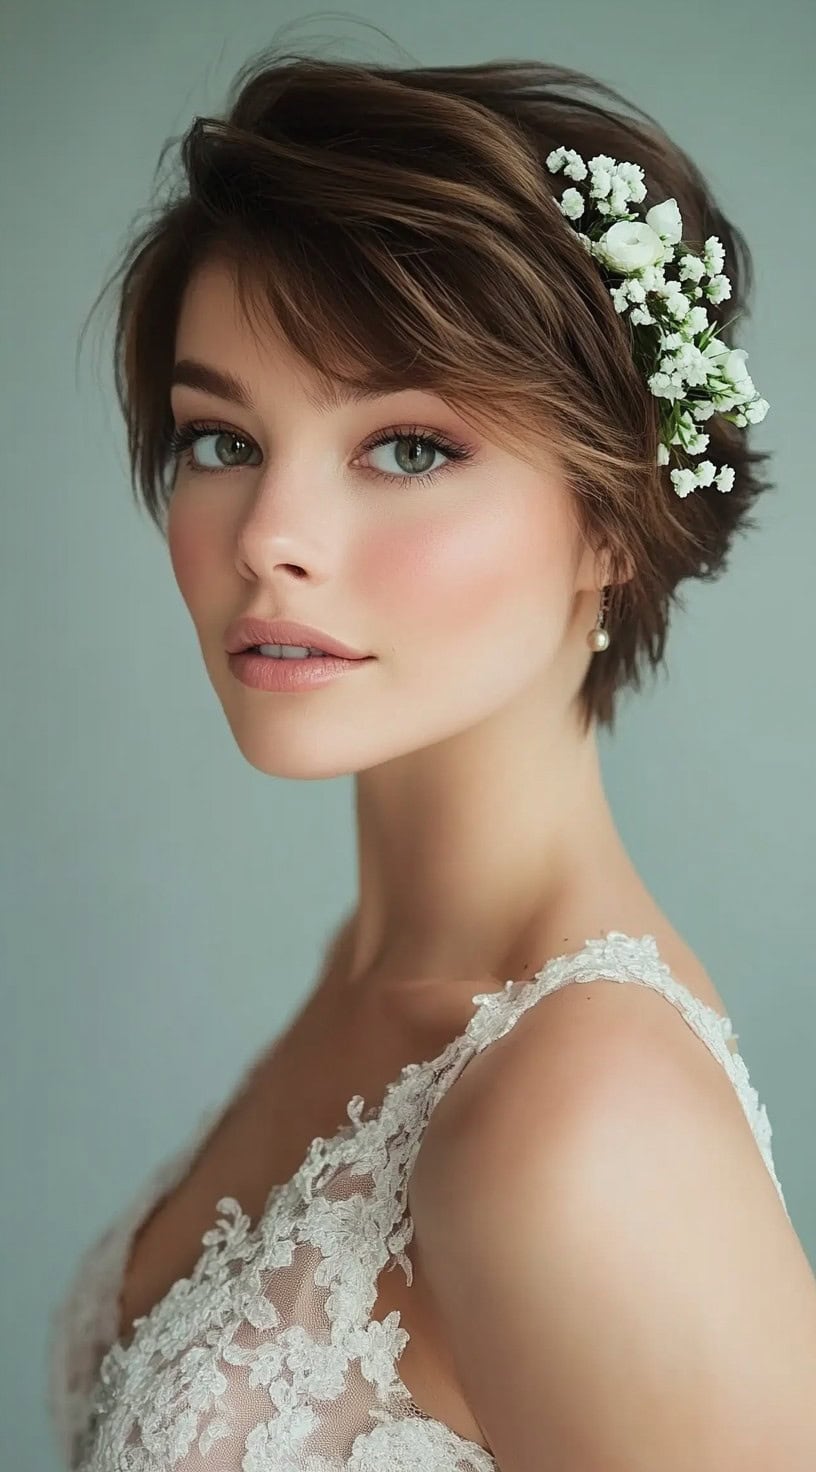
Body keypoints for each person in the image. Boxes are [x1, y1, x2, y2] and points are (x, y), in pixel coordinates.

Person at [49, 38, 816, 1471]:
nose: (270, 534)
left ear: (611, 513)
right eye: (219, 438)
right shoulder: (383, 965)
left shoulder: (587, 1121)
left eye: (406, 447)